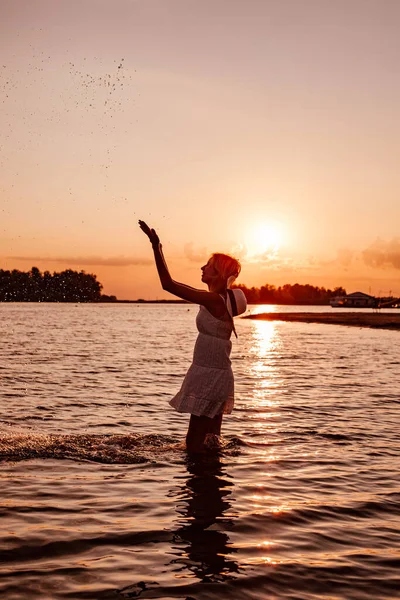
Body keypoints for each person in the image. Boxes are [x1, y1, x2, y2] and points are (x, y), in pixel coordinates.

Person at [138, 220, 246, 454]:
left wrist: (156, 247)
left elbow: (168, 285)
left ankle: (198, 483)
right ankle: (210, 483)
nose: (201, 268)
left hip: (209, 375)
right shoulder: (220, 300)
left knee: (194, 444)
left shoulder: (215, 300)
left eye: (208, 266)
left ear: (217, 275)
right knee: (210, 443)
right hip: (217, 373)